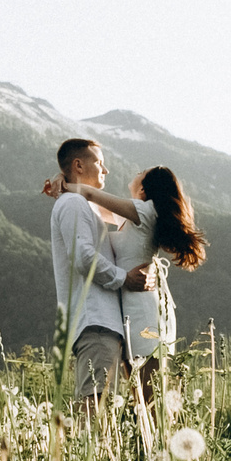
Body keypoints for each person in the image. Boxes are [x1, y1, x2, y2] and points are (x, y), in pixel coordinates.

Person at [43, 160, 207, 390]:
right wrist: (62, 182)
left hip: (143, 309)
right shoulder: (132, 218)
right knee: (139, 396)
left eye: (141, 173)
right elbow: (90, 208)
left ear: (143, 190)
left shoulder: (144, 211)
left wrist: (65, 184)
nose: (136, 173)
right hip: (129, 309)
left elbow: (90, 194)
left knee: (150, 396)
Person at [47, 137, 151, 402]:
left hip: (103, 323)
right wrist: (123, 278)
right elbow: (82, 256)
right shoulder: (74, 204)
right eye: (100, 163)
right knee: (96, 407)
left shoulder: (84, 204)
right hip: (95, 321)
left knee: (103, 408)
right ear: (79, 165)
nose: (105, 171)